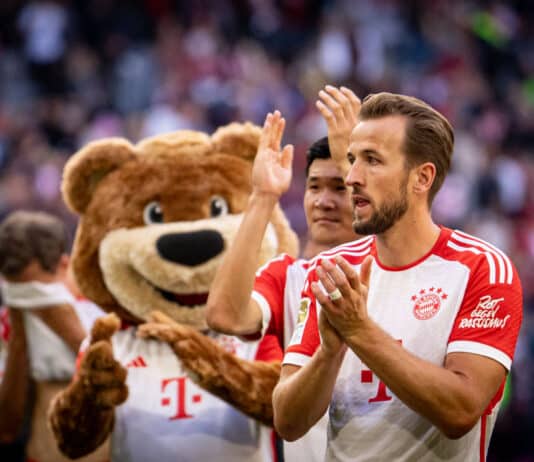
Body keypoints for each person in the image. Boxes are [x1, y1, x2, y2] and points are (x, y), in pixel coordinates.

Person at [272, 92, 523, 461]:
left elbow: (461, 411)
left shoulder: (482, 269)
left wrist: (359, 331)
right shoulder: (332, 270)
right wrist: (328, 354)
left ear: (422, 178)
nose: (352, 178)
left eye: (372, 160)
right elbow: (288, 421)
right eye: (352, 159)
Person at [206, 85, 361, 461]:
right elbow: (225, 315)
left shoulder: (403, 269)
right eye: (314, 187)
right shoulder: (288, 276)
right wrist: (263, 196)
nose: (323, 201)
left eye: (340, 187)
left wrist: (356, 157)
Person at [0, 210, 106, 462]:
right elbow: (6, 428)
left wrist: (71, 331)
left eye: (36, 291)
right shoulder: (7, 323)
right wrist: (19, 341)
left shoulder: (103, 309)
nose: (30, 303)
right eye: (19, 292)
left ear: (64, 265)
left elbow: (124, 391)